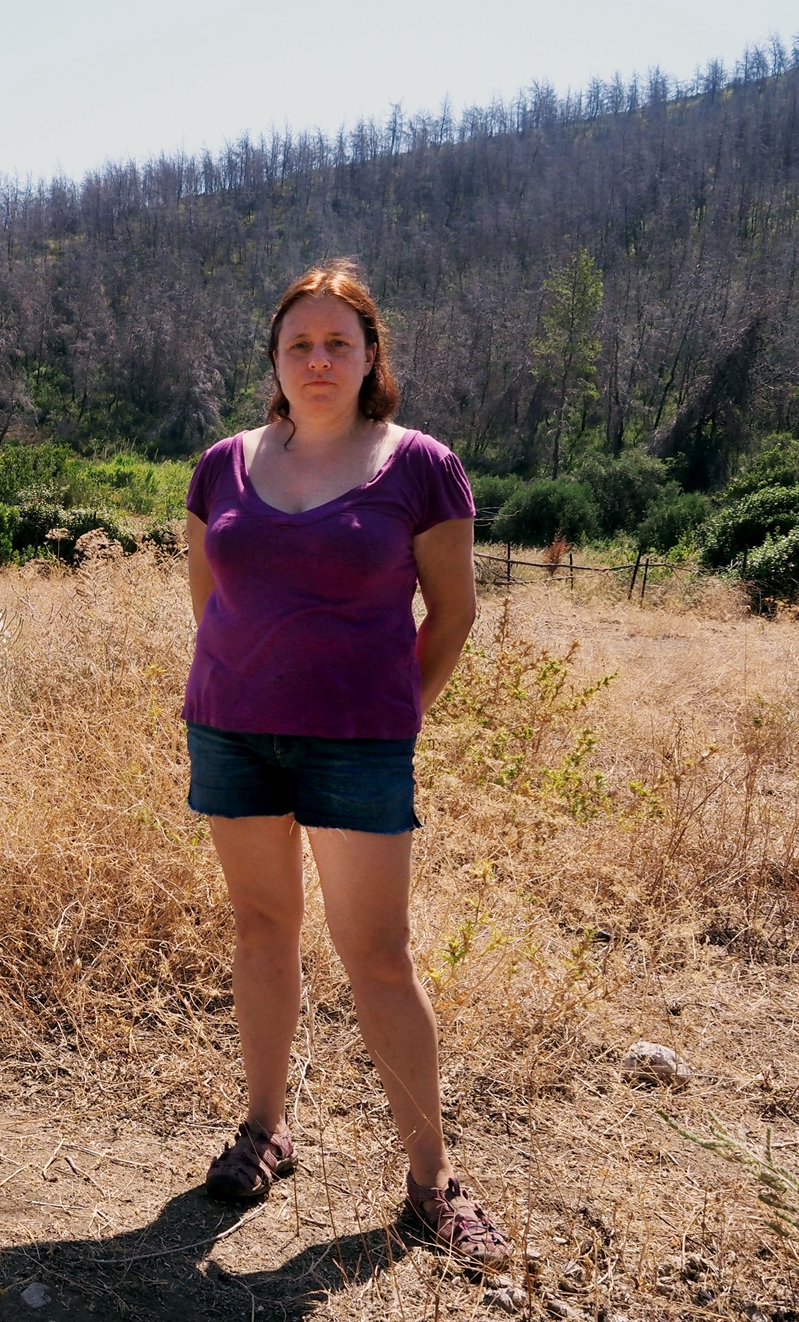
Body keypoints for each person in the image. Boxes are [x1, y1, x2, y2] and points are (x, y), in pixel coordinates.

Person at [182, 260, 509, 1267]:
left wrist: (392, 710)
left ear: (371, 357)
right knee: (258, 927)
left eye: (337, 343)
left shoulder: (419, 465)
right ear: (273, 364)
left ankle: (430, 1183)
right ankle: (265, 1128)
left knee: (376, 955)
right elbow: (207, 599)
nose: (316, 360)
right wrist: (249, 685)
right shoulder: (220, 466)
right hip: (232, 732)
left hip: (359, 743)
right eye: (297, 345)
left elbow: (450, 613)